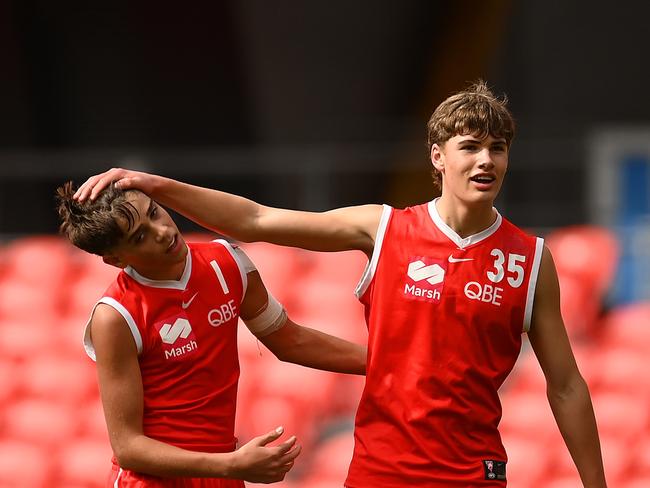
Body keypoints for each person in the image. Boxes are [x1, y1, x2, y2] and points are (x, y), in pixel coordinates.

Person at [75, 81, 607, 487]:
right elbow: (257, 220)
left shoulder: (531, 258)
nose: (486, 159)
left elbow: (566, 385)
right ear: (437, 157)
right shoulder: (383, 228)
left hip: (475, 470)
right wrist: (156, 184)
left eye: (498, 148)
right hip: (381, 469)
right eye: (470, 146)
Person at [56, 181, 367, 487]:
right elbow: (128, 449)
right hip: (157, 482)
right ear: (116, 259)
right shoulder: (116, 316)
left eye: (154, 213)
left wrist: (387, 361)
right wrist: (231, 465)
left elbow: (290, 341)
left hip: (221, 472)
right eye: (140, 237)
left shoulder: (228, 262)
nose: (162, 232)